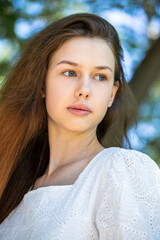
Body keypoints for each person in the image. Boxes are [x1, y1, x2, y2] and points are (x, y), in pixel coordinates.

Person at [0, 12, 160, 240]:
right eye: (70, 72)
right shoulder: (13, 190)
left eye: (100, 77)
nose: (84, 89)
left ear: (112, 95)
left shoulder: (120, 169)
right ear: (42, 84)